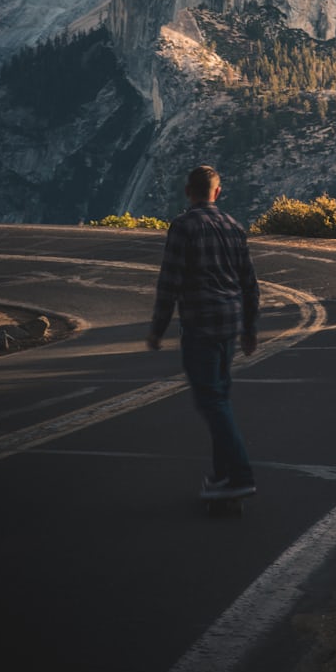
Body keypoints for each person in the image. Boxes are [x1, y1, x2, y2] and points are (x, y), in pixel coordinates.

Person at [146, 164, 260, 500]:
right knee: (220, 398)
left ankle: (239, 475)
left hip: (200, 325)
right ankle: (222, 475)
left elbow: (169, 282)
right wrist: (250, 330)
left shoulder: (183, 227)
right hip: (229, 325)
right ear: (217, 192)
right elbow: (250, 284)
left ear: (188, 192)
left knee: (212, 402)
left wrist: (157, 329)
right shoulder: (234, 227)